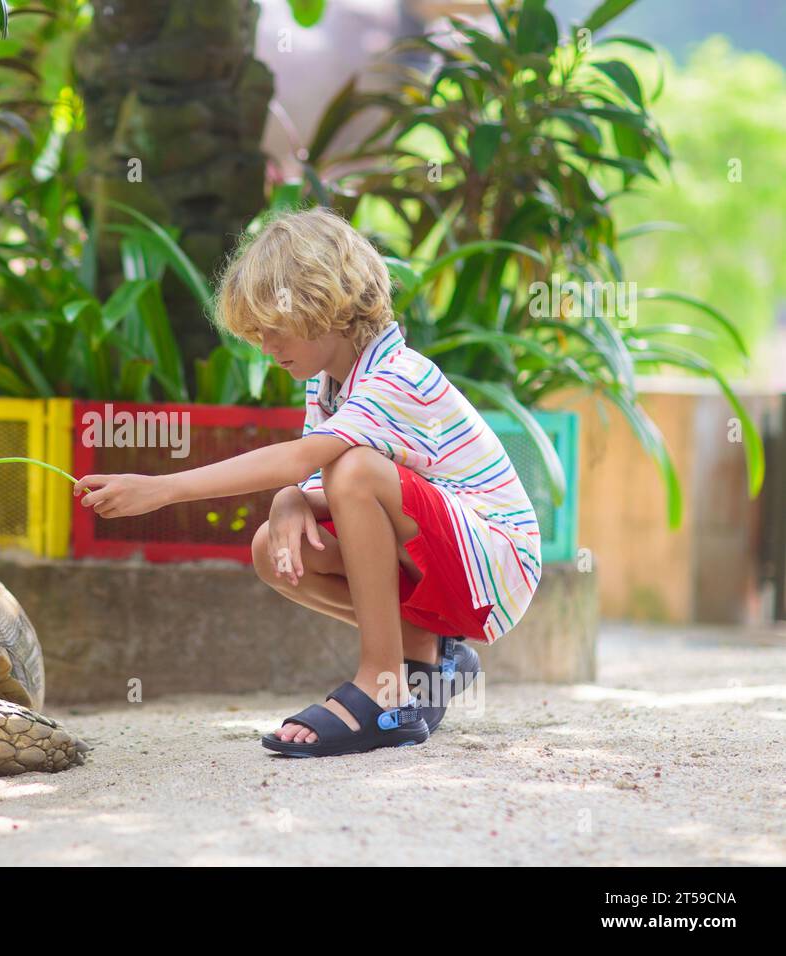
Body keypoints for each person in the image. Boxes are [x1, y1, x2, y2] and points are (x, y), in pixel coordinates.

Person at [74, 206, 541, 757]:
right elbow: (327, 489)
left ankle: (382, 685)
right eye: (256, 333)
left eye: (274, 328)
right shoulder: (329, 385)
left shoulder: (396, 377)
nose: (265, 347)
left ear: (326, 306)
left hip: (497, 565)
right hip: (448, 566)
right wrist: (290, 500)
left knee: (356, 469)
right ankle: (427, 658)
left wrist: (164, 489)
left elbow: (317, 466)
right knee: (273, 548)